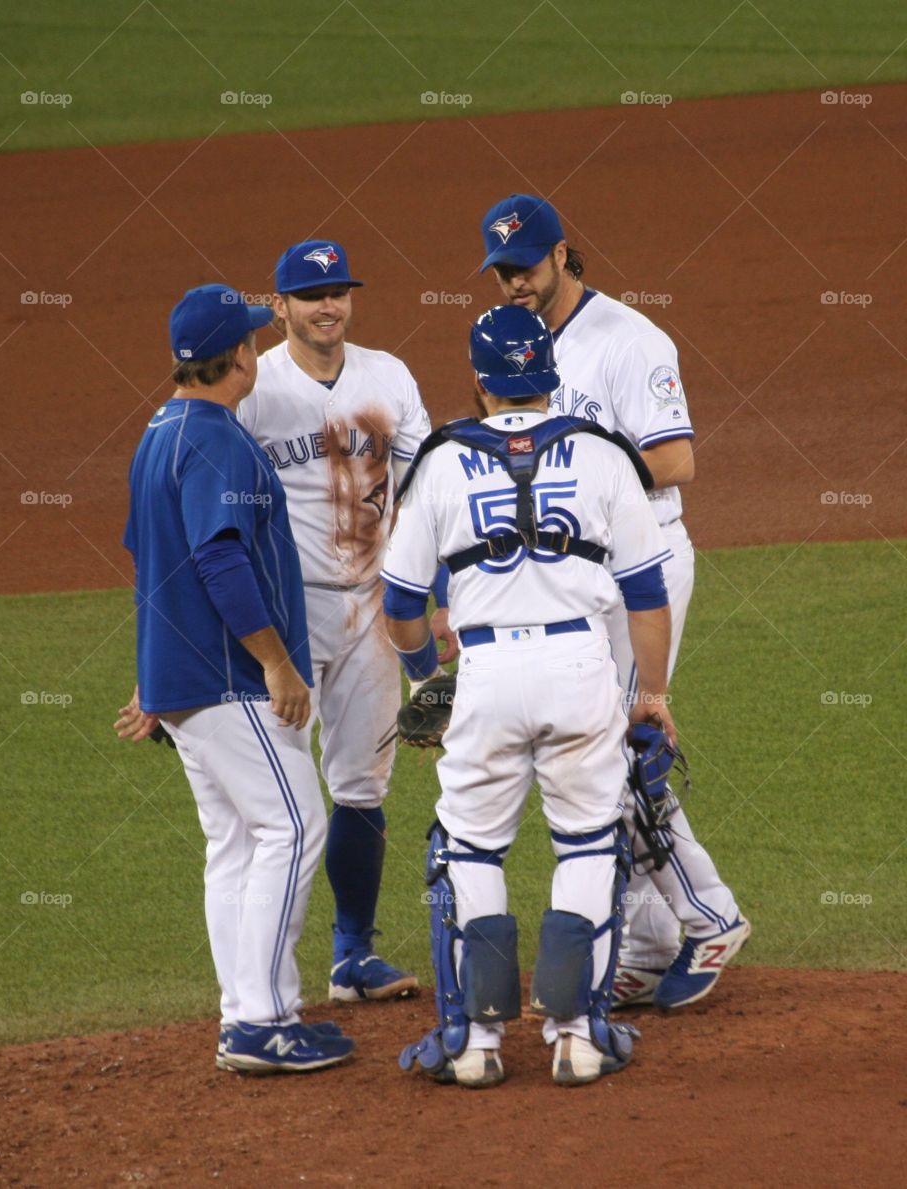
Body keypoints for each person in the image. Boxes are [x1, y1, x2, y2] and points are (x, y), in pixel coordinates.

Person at [383, 304, 675, 1087]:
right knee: (588, 842)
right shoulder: (603, 454)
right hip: (582, 666)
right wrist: (650, 692)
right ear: (552, 371)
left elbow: (401, 602)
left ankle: (474, 1047)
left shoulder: (441, 460)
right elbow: (647, 595)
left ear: (479, 381)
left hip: (485, 673)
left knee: (469, 848)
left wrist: (425, 680)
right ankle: (578, 1037)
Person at [473, 194, 750, 1010]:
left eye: (524, 267)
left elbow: (675, 460)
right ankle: (648, 940)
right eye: (500, 270)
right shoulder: (515, 345)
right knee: (590, 749)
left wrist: (579, 474)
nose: (512, 283)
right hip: (574, 575)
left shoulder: (631, 340)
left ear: (563, 254)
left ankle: (710, 916)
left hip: (642, 561)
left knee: (616, 747)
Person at [114, 282, 354, 1075]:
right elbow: (217, 557)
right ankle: (259, 1020)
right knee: (292, 827)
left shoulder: (159, 431)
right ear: (240, 357)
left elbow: (154, 559)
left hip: (184, 680)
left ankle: (251, 1010)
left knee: (235, 842)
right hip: (229, 678)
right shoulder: (217, 438)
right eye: (252, 338)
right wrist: (277, 662)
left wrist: (155, 677)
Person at [237, 239, 444, 1002]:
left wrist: (435, 595)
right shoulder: (253, 386)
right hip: (288, 616)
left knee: (362, 782)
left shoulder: (388, 375)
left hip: (374, 609)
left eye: (340, 292)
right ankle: (264, 981)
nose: (330, 306)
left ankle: (352, 953)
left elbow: (430, 491)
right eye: (311, 294)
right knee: (279, 804)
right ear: (280, 303)